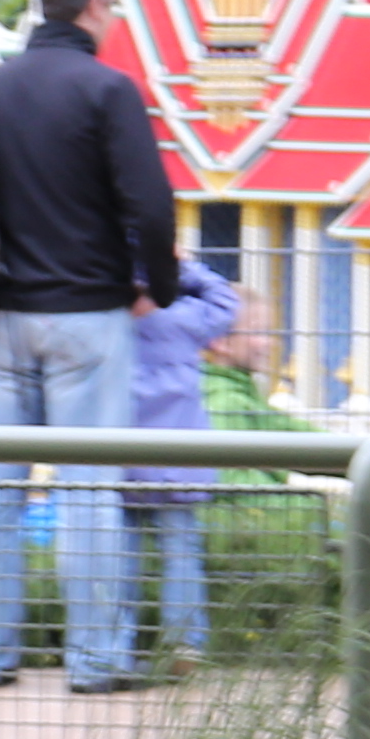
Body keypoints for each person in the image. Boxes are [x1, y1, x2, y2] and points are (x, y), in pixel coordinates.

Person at [0, 0, 182, 696]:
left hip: (6, 316)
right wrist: (160, 284)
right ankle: (95, 661)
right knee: (86, 492)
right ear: (93, 4)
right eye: (115, 2)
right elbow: (151, 203)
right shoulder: (106, 90)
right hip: (88, 317)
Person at [131, 252, 253, 670]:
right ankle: (185, 643)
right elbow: (225, 300)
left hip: (119, 462)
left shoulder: (107, 326)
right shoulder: (185, 321)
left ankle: (116, 643)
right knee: (181, 554)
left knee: (120, 558)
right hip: (178, 463)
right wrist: (183, 266)